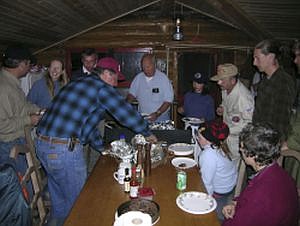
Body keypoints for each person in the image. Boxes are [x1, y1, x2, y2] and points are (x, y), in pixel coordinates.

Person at [35, 58, 157, 225]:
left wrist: (102, 148)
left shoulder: (78, 83)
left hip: (42, 145)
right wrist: (147, 132)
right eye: (114, 79)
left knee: (61, 205)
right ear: (106, 74)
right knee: (81, 204)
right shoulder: (101, 88)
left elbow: (87, 125)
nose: (115, 85)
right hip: (63, 150)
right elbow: (124, 113)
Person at [222, 123, 299, 226]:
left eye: (242, 147)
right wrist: (235, 203)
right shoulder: (280, 173)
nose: (240, 150)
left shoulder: (260, 194)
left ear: (254, 155)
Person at [0, 45, 41, 179]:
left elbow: (22, 105)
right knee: (19, 187)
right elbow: (2, 125)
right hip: (8, 147)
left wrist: (38, 110)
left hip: (17, 142)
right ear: (22, 64)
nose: (30, 67)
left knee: (27, 182)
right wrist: (29, 120)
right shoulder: (3, 87)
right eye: (29, 63)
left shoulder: (11, 82)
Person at [252, 39, 297, 143]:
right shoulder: (265, 79)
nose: (254, 63)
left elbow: (281, 120)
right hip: (260, 138)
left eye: (257, 58)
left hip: (270, 143)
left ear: (271, 57)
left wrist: (274, 147)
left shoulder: (283, 81)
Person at [211, 63, 254, 161]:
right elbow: (226, 103)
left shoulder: (244, 97)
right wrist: (222, 108)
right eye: (218, 79)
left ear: (233, 80)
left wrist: (227, 130)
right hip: (226, 138)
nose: (218, 83)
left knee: (234, 171)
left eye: (222, 80)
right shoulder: (225, 88)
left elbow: (249, 123)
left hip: (237, 141)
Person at [196, 119, 237, 221]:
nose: (197, 138)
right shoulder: (219, 145)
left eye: (199, 137)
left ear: (208, 140)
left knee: (212, 219)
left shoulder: (208, 155)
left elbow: (207, 182)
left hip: (219, 194)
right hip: (229, 188)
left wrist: (206, 201)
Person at [127, 53, 174, 122]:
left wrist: (157, 113)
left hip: (161, 118)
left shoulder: (163, 79)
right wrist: (125, 106)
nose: (145, 69)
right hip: (143, 117)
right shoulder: (138, 78)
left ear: (154, 65)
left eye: (148, 67)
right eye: (143, 67)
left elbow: (168, 100)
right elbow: (131, 94)